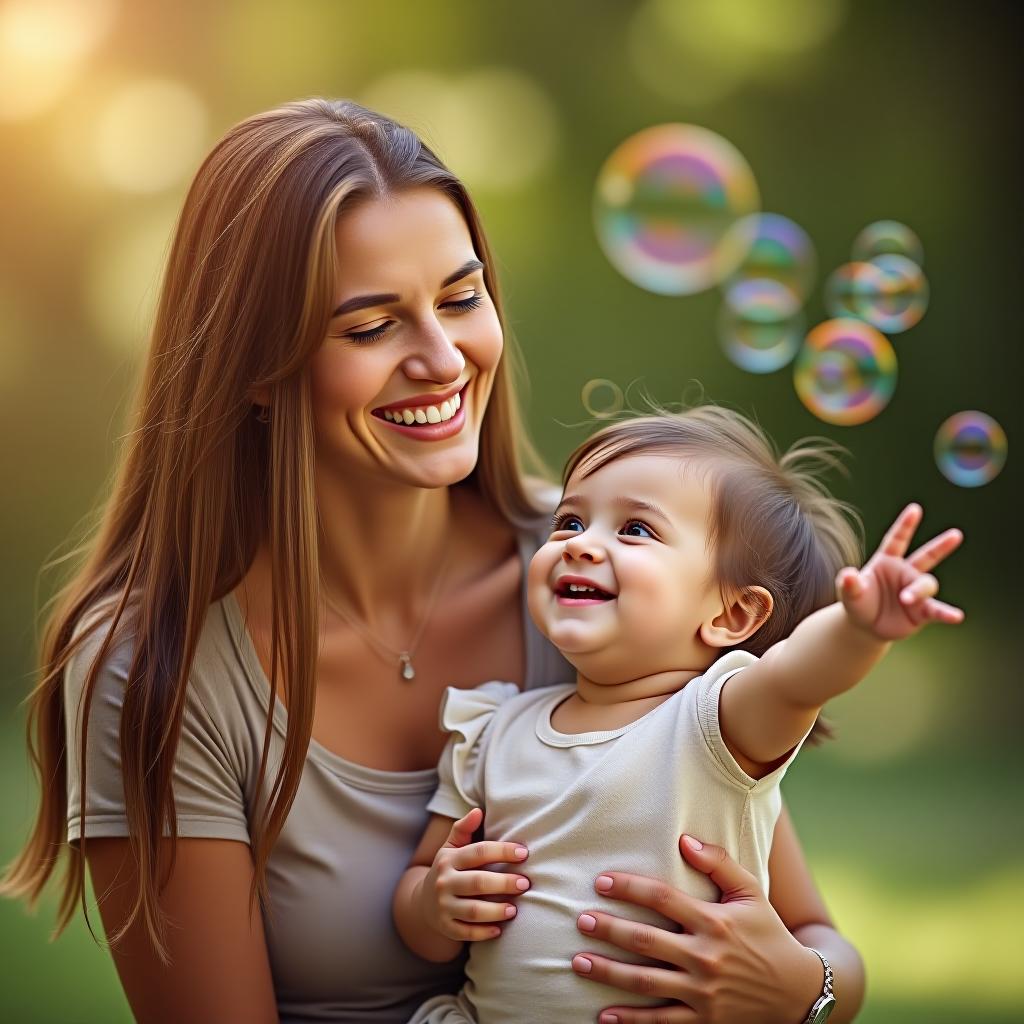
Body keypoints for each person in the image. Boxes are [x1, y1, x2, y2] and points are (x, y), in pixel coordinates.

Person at [2, 99, 866, 1024]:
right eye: (372, 327)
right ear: (255, 366)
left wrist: (798, 992)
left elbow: (819, 945)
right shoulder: (155, 670)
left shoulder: (602, 580)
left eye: (461, 299)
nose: (444, 357)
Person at [394, 407, 964, 1024]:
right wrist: (433, 904)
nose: (581, 543)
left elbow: (799, 675)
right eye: (571, 520)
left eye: (635, 529)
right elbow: (421, 900)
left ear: (732, 616)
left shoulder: (719, 724)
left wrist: (859, 630)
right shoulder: (491, 728)